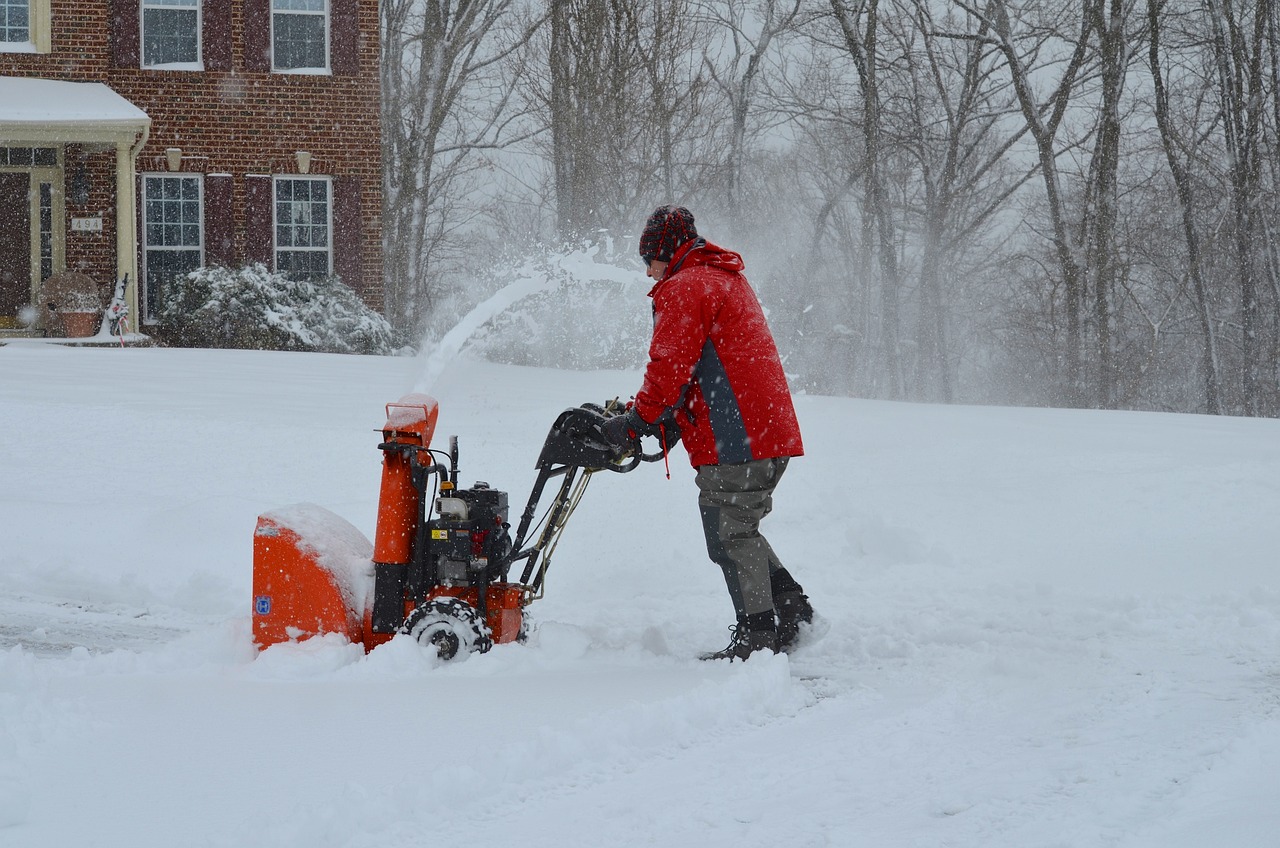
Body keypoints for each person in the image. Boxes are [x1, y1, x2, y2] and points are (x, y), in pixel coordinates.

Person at [601, 205, 814, 661]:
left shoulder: (685, 286)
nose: (648, 272)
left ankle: (757, 637)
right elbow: (708, 365)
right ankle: (792, 610)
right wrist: (664, 419)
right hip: (764, 430)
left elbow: (671, 368)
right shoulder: (724, 278)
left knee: (728, 535)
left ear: (664, 253)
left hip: (738, 436)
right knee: (741, 528)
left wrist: (638, 421)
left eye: (649, 261)